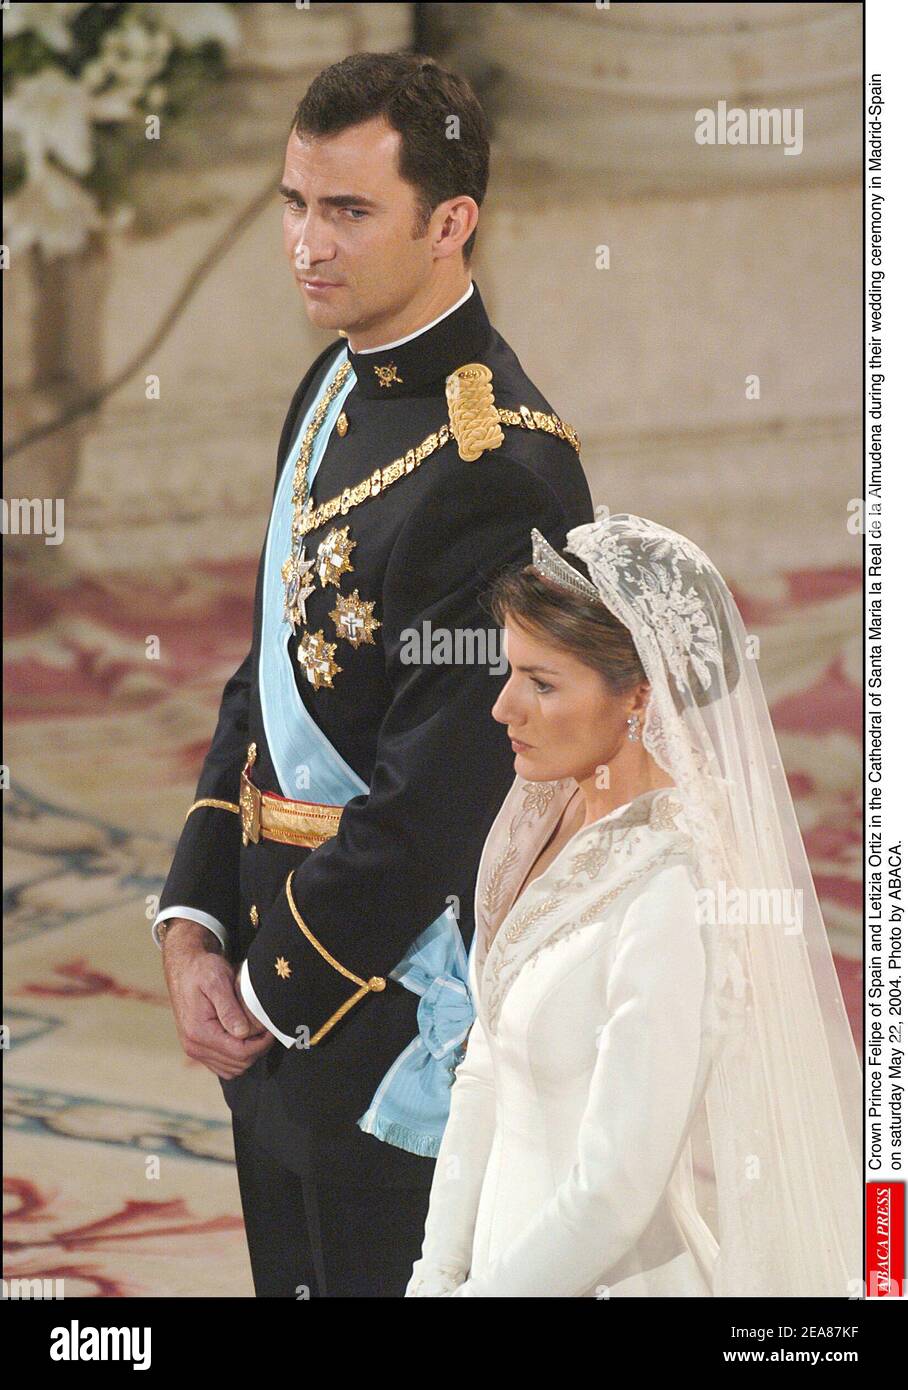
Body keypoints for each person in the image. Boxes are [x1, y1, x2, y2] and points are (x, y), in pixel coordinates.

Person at [151, 51, 592, 1297]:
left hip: (387, 1017)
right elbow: (265, 673)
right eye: (294, 203)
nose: (306, 243)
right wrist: (192, 914)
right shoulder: (333, 382)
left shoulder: (498, 463)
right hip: (268, 985)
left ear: (451, 222)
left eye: (347, 211)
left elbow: (440, 799)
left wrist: (265, 985)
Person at [406, 511, 862, 1297]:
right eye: (510, 673)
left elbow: (615, 1191)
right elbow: (485, 1070)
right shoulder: (538, 809)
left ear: (640, 697)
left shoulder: (672, 892)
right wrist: (437, 1270)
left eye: (541, 683)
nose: (503, 708)